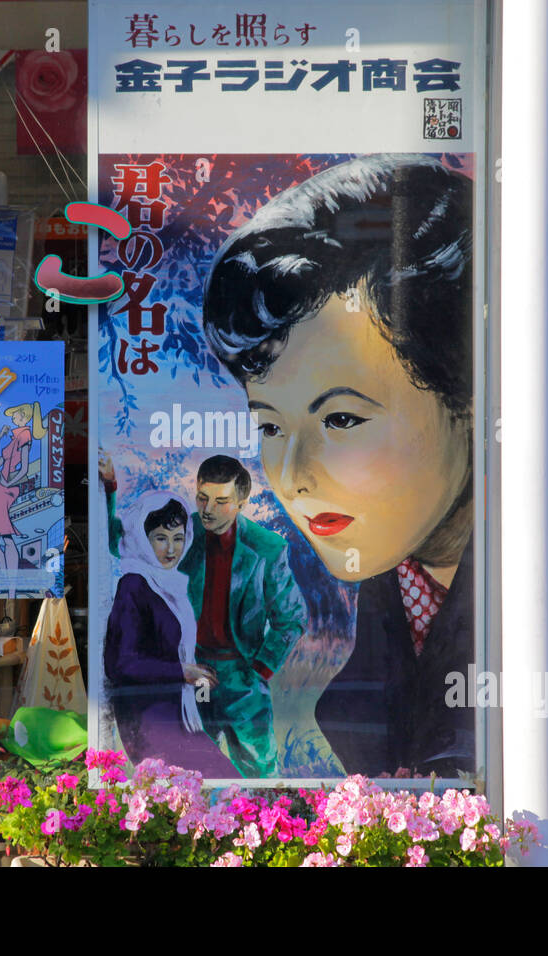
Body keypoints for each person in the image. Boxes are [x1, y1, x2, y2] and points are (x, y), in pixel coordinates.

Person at [200, 154, 476, 778]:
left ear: (469, 395)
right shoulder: (395, 580)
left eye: (341, 420)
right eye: (269, 425)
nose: (293, 474)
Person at [99, 452, 308, 778]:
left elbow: (292, 617)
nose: (208, 509)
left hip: (242, 677)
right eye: (202, 497)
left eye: (221, 501)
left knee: (260, 775)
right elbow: (120, 543)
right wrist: (108, 488)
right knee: (198, 778)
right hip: (190, 674)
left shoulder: (268, 548)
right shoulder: (182, 532)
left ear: (241, 502)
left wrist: (259, 670)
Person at [103, 491, 237, 776]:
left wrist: (192, 671)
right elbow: (121, 664)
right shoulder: (134, 585)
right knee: (224, 785)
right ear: (142, 538)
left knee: (228, 787)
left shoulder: (169, 584)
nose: (171, 550)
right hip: (148, 720)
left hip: (175, 716)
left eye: (178, 538)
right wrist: (182, 672)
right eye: (161, 538)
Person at [0, 401, 44, 598]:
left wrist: (10, 482)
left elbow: (25, 469)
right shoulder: (12, 439)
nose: (12, 418)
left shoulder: (25, 435)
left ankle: (11, 586)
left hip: (5, 488)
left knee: (4, 537)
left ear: (24, 417)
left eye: (16, 415)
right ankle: (10, 582)